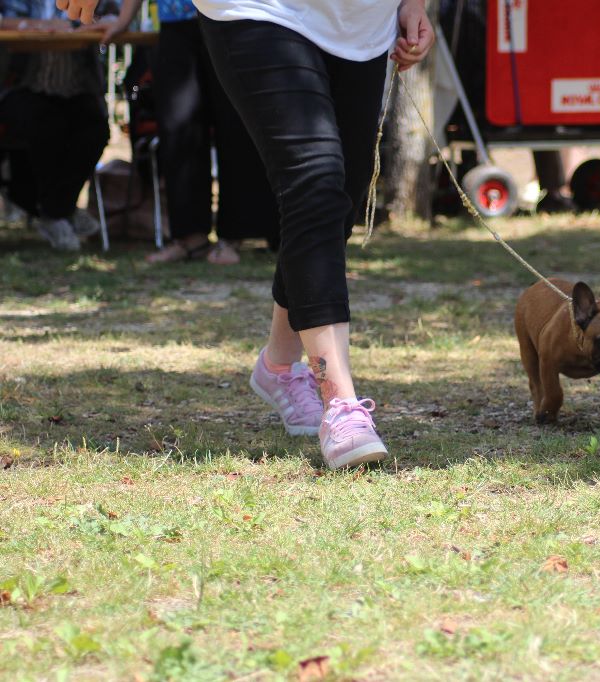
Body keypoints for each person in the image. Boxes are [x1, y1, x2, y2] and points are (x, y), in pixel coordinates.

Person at [61, 0, 434, 468]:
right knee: (315, 182)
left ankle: (278, 364)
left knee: (336, 200)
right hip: (259, 9)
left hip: (362, 23)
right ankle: (340, 403)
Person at [101, 0, 279, 264]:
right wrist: (124, 19)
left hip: (233, 17)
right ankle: (188, 238)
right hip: (175, 22)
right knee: (177, 127)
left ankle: (234, 237)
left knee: (235, 127)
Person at [0, 0, 108, 251]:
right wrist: (39, 25)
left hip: (76, 89)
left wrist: (86, 24)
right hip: (24, 85)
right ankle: (60, 211)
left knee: (95, 129)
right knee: (46, 125)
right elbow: (4, 18)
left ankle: (56, 211)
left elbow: (113, 14)